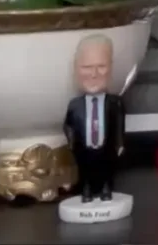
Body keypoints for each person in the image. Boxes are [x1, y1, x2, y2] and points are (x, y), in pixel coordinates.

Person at [63, 33, 125, 201]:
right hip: (83, 147)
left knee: (107, 169)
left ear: (111, 68)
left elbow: (119, 124)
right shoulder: (75, 105)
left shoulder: (115, 103)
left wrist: (119, 143)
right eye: (87, 67)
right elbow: (68, 124)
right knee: (85, 170)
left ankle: (106, 190)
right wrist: (71, 142)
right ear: (76, 69)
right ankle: (86, 190)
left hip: (107, 147)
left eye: (101, 66)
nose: (94, 74)